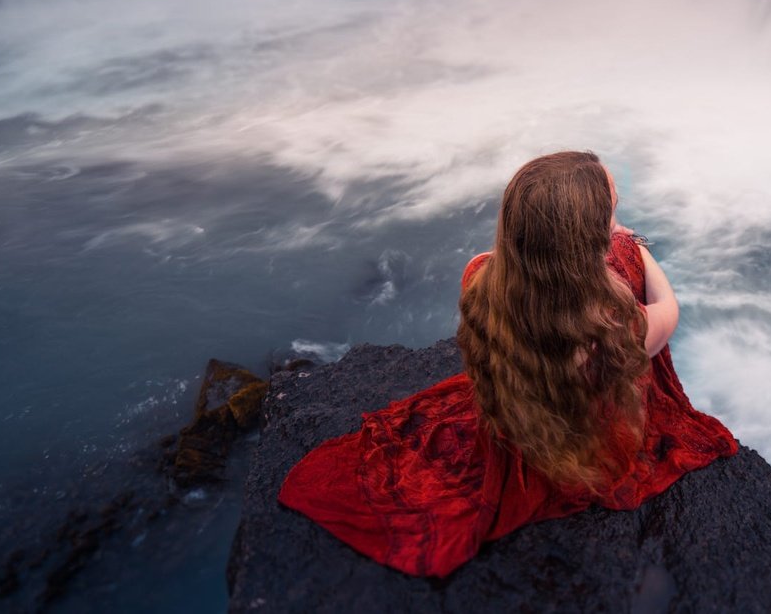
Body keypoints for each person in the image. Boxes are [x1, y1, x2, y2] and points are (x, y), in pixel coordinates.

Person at [277, 150, 738, 578]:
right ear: (590, 240)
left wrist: (609, 235)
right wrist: (636, 249)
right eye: (612, 213)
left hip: (524, 409)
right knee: (629, 285)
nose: (618, 225)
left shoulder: (479, 274)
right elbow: (668, 309)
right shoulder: (613, 331)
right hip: (584, 439)